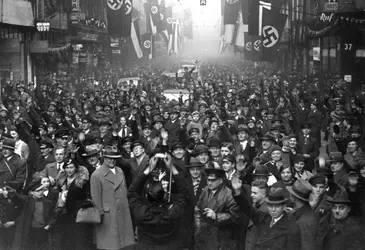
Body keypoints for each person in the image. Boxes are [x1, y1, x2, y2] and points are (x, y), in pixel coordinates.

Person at [128, 153, 190, 250]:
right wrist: (172, 168)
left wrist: (148, 169)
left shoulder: (141, 213)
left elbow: (132, 192)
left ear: (148, 196)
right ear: (164, 196)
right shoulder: (173, 213)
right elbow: (184, 193)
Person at [231, 175, 301, 250]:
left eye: (277, 206)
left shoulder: (291, 228)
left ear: (284, 206)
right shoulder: (264, 218)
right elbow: (247, 208)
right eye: (270, 206)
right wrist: (238, 192)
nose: (273, 209)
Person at [90, 147, 135, 250]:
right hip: (108, 216)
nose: (112, 161)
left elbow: (124, 190)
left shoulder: (120, 170)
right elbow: (96, 198)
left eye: (114, 158)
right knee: (110, 245)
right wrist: (100, 214)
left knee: (124, 244)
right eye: (109, 158)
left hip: (123, 212)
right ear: (103, 158)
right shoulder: (97, 175)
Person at [194, 168, 240, 250]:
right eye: (208, 180)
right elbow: (197, 208)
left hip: (220, 237)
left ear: (221, 180)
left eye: (213, 180)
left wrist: (216, 216)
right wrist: (198, 226)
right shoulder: (206, 190)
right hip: (203, 235)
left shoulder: (229, 194)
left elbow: (235, 217)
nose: (209, 183)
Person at [54, 158, 92, 250]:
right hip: (65, 213)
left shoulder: (81, 181)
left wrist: (87, 201)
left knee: (79, 237)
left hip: (78, 212)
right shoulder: (62, 180)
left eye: (71, 167)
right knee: (67, 237)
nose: (69, 170)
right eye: (67, 168)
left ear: (76, 168)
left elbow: (87, 194)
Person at [286, 179, 318, 250]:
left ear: (295, 196)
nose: (289, 193)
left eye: (291, 192)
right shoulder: (299, 213)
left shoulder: (306, 220)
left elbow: (308, 247)